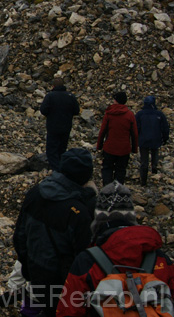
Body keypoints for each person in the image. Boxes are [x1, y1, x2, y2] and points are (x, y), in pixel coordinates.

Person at [57, 181, 174, 317]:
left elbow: (69, 311)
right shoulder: (160, 259)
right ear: (131, 217)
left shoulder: (87, 261)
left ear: (98, 219)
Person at [13, 148, 97, 317]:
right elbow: (83, 257)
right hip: (63, 283)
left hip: (35, 270)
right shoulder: (79, 212)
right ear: (86, 176)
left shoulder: (35, 193)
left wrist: (27, 266)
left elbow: (20, 236)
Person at [40, 77, 81, 171]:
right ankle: (62, 167)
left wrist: (51, 113)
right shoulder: (70, 96)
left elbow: (43, 110)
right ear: (63, 85)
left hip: (53, 126)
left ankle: (56, 169)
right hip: (66, 126)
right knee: (62, 148)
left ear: (53, 86)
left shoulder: (50, 96)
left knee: (51, 149)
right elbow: (76, 111)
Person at [97, 92, 137, 185]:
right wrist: (134, 148)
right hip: (124, 149)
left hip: (109, 147)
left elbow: (102, 131)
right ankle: (118, 191)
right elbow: (134, 133)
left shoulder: (109, 113)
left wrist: (99, 146)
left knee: (107, 168)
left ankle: (107, 190)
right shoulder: (129, 115)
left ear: (116, 100)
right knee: (121, 170)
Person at [135, 95, 170, 186]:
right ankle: (154, 171)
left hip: (143, 140)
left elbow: (136, 128)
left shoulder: (140, 114)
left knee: (144, 161)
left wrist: (136, 138)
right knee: (155, 156)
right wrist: (165, 138)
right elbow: (165, 128)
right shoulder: (159, 114)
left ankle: (143, 181)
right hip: (156, 139)